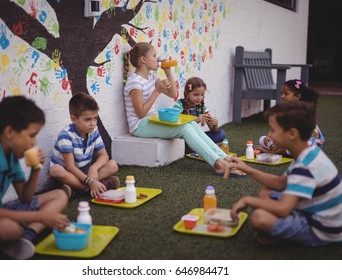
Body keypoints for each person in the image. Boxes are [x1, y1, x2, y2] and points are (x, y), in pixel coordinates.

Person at [0, 96, 70, 259]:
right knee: (9, 228)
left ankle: (28, 236)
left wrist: (35, 169)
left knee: (60, 194)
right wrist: (41, 216)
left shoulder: (10, 155)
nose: (34, 143)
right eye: (31, 135)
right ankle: (16, 237)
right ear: (10, 132)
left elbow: (25, 197)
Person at [230, 101, 342, 246]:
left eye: (273, 130)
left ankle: (280, 237)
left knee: (259, 218)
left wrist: (247, 200)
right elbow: (280, 183)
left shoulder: (305, 167)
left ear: (292, 134)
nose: (269, 135)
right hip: (315, 211)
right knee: (265, 193)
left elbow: (283, 209)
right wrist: (246, 168)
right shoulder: (307, 149)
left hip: (322, 229)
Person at [123, 42, 243, 176]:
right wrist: (157, 91)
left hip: (150, 120)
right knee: (184, 128)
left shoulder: (152, 77)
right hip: (139, 125)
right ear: (144, 59)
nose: (157, 59)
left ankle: (224, 158)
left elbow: (173, 94)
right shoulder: (134, 81)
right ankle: (218, 164)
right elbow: (140, 113)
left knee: (190, 123)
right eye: (154, 56)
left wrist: (168, 71)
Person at [49, 92, 120, 198]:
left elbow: (104, 155)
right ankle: (89, 187)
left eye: (95, 118)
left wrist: (94, 168)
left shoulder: (94, 130)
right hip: (69, 173)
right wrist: (91, 181)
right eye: (88, 119)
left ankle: (74, 189)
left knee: (113, 165)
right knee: (55, 170)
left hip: (85, 171)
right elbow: (70, 167)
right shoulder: (66, 135)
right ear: (74, 119)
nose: (93, 123)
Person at [255, 79, 325, 155]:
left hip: (310, 143)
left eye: (286, 94)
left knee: (291, 145)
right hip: (292, 138)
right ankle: (280, 148)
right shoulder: (287, 110)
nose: (282, 96)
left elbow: (295, 135)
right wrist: (270, 139)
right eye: (282, 93)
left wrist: (275, 148)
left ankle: (276, 151)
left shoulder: (301, 113)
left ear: (297, 96)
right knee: (262, 139)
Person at [173, 77, 226, 153]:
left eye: (202, 95)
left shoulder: (201, 106)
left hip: (197, 138)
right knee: (189, 144)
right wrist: (196, 120)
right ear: (187, 93)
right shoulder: (180, 104)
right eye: (196, 95)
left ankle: (204, 147)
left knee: (221, 133)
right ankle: (210, 146)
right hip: (184, 140)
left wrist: (215, 124)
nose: (199, 98)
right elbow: (175, 124)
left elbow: (213, 130)